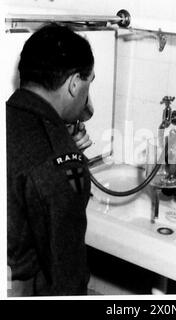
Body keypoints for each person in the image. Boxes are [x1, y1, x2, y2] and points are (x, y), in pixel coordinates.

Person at [6, 23, 95, 296]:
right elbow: (66, 275)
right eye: (88, 84)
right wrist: (64, 150)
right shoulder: (60, 160)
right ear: (74, 84)